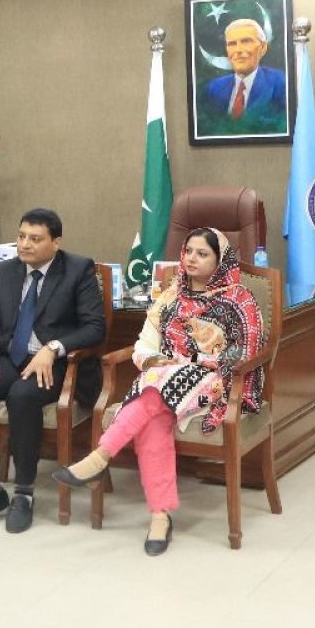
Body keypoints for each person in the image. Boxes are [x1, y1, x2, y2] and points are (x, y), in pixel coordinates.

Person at [52, 228, 265, 555]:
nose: (191, 259)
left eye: (202, 254)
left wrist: (197, 362)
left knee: (154, 389)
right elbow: (144, 345)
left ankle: (100, 457)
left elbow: (246, 352)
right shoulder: (170, 296)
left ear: (220, 261)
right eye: (188, 251)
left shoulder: (240, 299)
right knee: (154, 411)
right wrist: (154, 359)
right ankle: (159, 515)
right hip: (163, 378)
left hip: (217, 381)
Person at [0, 208, 106, 533]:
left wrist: (54, 348)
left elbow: (95, 327)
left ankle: (23, 493)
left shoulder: (78, 269)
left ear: (56, 242)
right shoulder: (5, 271)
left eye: (35, 239)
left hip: (57, 364)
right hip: (12, 357)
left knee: (22, 396)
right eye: (21, 236)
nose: (24, 244)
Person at [199, 19, 287, 132]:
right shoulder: (214, 89)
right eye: (232, 44)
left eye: (246, 41)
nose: (238, 50)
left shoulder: (281, 85)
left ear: (263, 48)